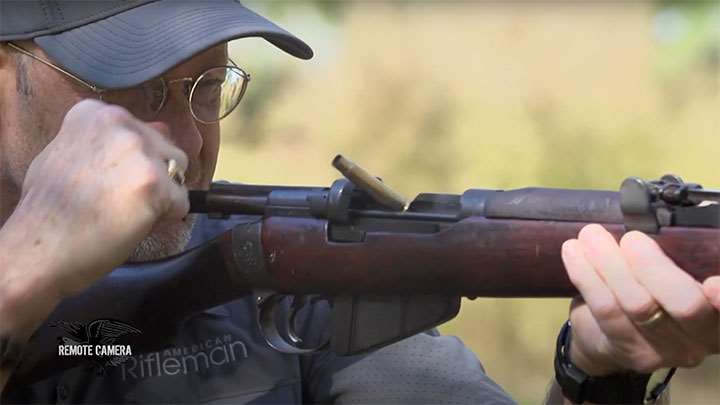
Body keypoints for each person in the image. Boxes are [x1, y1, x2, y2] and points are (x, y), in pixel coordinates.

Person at [0, 1, 716, 404]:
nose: (185, 141)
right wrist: (22, 276)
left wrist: (598, 372)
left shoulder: (281, 291)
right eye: (137, 88)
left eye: (207, 87)